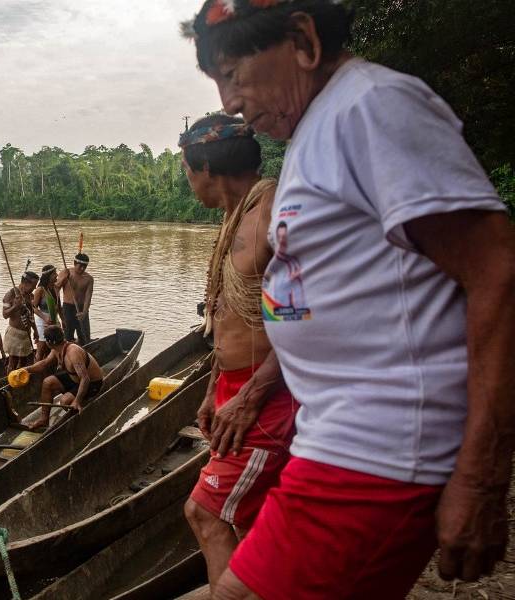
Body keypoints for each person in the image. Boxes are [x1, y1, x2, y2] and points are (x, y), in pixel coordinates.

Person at [187, 1, 515, 598]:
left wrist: (484, 474)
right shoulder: (317, 129)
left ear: (304, 42)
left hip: (381, 453)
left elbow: (495, 272)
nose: (230, 101)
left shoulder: (371, 107)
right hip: (336, 441)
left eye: (234, 74)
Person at [176, 114, 297, 588]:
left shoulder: (272, 216)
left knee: (204, 514)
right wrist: (213, 391)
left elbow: (301, 326)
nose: (189, 184)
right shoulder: (234, 219)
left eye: (187, 172)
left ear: (206, 168)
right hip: (235, 387)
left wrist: (248, 398)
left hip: (268, 395)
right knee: (247, 518)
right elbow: (230, 319)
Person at [25, 325, 104, 430]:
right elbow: (44, 364)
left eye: (45, 339)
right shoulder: (56, 349)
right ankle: (44, 419)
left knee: (64, 401)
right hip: (74, 378)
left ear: (50, 342)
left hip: (92, 383)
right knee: (48, 382)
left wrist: (77, 400)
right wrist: (25, 370)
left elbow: (85, 379)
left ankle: (81, 421)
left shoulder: (73, 352)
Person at [2, 271, 38, 371]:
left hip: (26, 333)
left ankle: (19, 381)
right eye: (34, 285)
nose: (35, 288)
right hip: (14, 333)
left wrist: (35, 330)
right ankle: (10, 383)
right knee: (12, 362)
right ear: (26, 283)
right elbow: (5, 315)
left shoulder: (30, 296)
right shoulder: (11, 294)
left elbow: (31, 316)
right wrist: (15, 306)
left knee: (23, 361)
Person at [55, 253, 93, 344]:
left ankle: (85, 352)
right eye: (80, 266)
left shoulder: (89, 278)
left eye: (85, 267)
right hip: (68, 307)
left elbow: (88, 297)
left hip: (81, 308)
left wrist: (84, 312)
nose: (82, 269)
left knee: (84, 335)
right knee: (67, 335)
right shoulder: (66, 272)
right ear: (75, 263)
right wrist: (64, 278)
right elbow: (56, 288)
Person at [31, 265, 62, 361]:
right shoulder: (40, 290)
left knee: (53, 348)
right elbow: (33, 308)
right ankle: (37, 370)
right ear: (48, 276)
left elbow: (58, 307)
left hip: (54, 320)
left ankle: (49, 368)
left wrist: (63, 319)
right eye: (54, 274)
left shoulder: (55, 288)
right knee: (41, 349)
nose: (56, 275)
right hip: (42, 321)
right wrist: (44, 317)